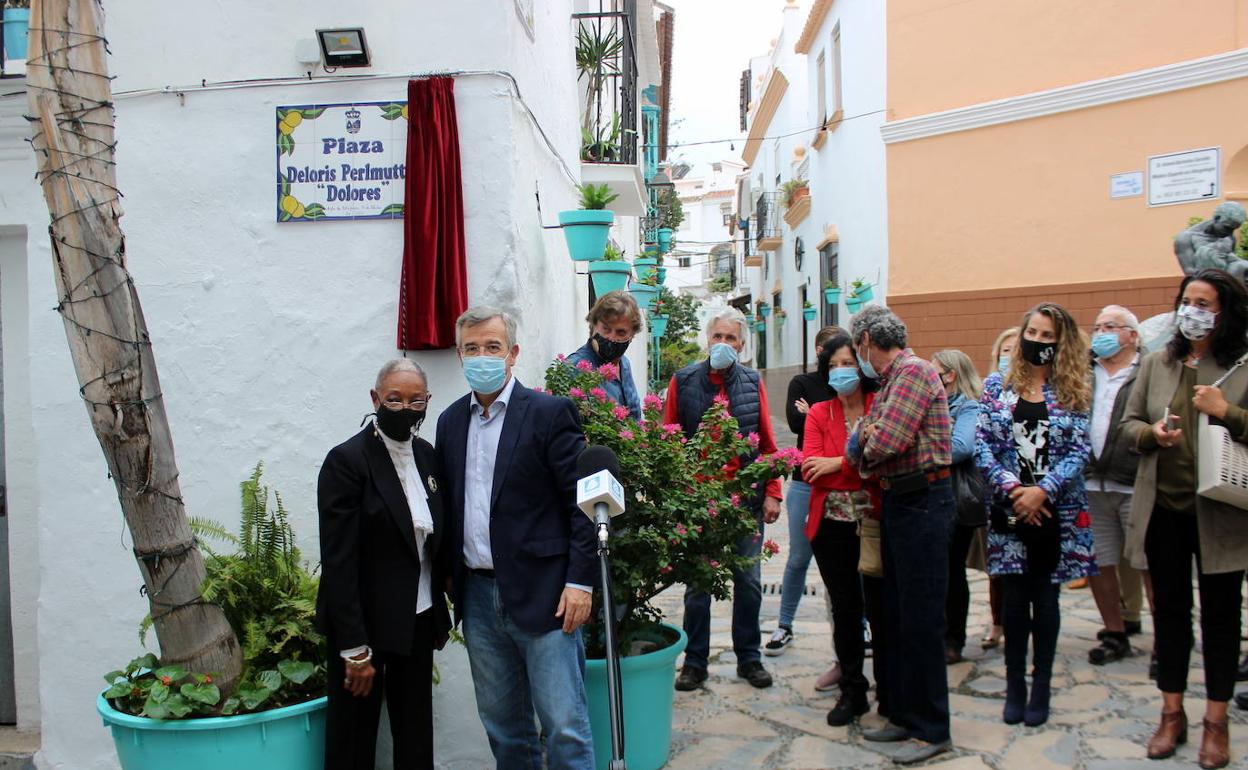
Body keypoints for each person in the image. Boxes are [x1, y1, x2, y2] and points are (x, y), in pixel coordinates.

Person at [435, 306, 596, 769]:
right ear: (459, 355)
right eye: (471, 348)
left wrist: (580, 583)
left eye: (492, 346)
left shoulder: (548, 414)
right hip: (480, 599)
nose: (482, 356)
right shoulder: (450, 423)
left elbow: (583, 505)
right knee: (505, 730)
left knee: (565, 727)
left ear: (513, 353)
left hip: (547, 594)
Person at [1122, 269, 1248, 769]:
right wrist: (1152, 433)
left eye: (1204, 302)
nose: (1192, 310)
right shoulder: (1157, 362)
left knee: (1221, 620)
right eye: (1187, 300)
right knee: (1169, 617)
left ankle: (1216, 723)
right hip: (1165, 513)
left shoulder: (1240, 365)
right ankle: (1171, 714)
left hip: (1220, 515)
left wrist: (1227, 412)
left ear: (1225, 313)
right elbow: (1129, 426)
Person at [316, 359, 452, 770]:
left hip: (417, 620)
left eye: (416, 401)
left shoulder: (427, 457)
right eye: (394, 399)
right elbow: (339, 562)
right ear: (376, 399)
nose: (405, 409)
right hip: (365, 629)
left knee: (415, 737)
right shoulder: (347, 462)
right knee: (354, 740)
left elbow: (432, 545)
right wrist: (354, 650)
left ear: (427, 403)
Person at [976, 302, 1094, 729]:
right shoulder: (995, 386)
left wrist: (1043, 490)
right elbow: (984, 445)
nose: (1039, 342)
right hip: (1009, 509)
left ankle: (1040, 683)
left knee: (1046, 600)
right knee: (1014, 600)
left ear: (1061, 343)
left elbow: (1080, 449)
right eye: (1034, 333)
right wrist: (1014, 488)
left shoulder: (1074, 388)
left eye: (1048, 336)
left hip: (1055, 511)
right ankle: (1014, 686)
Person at [845, 304, 954, 765]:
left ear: (867, 339)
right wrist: (864, 438)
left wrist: (865, 436)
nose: (857, 356)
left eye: (857, 347)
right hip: (901, 501)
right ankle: (908, 717)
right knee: (902, 616)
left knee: (922, 619)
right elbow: (863, 444)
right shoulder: (892, 380)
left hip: (922, 503)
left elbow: (882, 442)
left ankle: (932, 729)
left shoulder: (910, 373)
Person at [663, 307, 783, 691]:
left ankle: (749, 658)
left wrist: (773, 493)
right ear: (707, 339)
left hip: (744, 503)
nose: (724, 344)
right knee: (699, 586)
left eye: (731, 338)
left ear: (742, 344)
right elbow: (669, 440)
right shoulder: (682, 381)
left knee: (748, 581)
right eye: (718, 336)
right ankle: (695, 663)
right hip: (699, 504)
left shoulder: (752, 381)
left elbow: (766, 441)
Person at [802, 332, 889, 726]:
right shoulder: (820, 412)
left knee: (883, 606)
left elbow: (884, 461)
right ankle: (853, 689)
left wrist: (838, 463)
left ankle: (889, 688)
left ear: (864, 366)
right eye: (833, 365)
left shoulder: (880, 405)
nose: (840, 371)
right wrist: (852, 463)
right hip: (831, 527)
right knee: (846, 609)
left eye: (848, 363)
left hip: (876, 523)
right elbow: (810, 467)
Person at [766, 325, 842, 692]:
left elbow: (843, 428)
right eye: (828, 351)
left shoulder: (850, 388)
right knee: (799, 557)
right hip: (803, 482)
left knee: (844, 562)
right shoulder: (802, 381)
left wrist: (816, 415)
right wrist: (817, 416)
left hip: (841, 484)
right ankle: (784, 624)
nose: (835, 361)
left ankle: (856, 630)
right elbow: (797, 423)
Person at [1084, 305, 1154, 667]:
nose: (1101, 333)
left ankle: (1167, 640)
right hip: (1092, 483)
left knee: (1148, 562)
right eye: (1096, 327)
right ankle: (1115, 632)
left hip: (1135, 481)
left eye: (1110, 326)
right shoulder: (1085, 370)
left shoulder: (1148, 369)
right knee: (1100, 562)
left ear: (1131, 334)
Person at [931, 349, 984, 664]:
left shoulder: (968, 406)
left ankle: (954, 639)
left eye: (935, 370)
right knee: (937, 572)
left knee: (952, 572)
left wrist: (923, 446)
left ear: (950, 375)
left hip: (956, 502)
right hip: (932, 498)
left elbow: (961, 448)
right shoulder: (936, 405)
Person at [975, 327, 1020, 650]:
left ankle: (1024, 625)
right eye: (1005, 350)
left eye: (1015, 349)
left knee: (1029, 566)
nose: (1010, 356)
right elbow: (982, 438)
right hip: (998, 489)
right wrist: (1001, 478)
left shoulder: (1043, 389)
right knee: (999, 564)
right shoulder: (990, 388)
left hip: (1035, 489)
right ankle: (998, 623)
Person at [561, 290, 643, 420]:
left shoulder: (624, 364)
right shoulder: (574, 368)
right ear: (593, 325)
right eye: (606, 329)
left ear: (632, 335)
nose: (611, 337)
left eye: (620, 332)